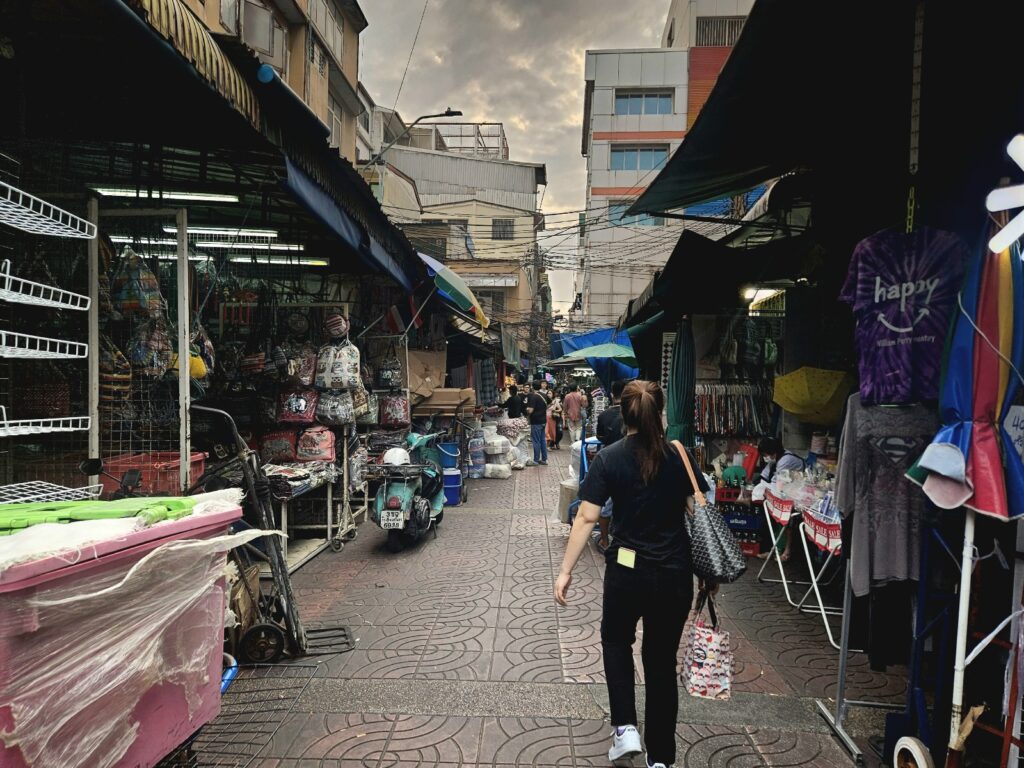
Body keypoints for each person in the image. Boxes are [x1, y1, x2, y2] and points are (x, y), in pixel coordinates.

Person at [555, 380, 709, 768]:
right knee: (660, 662)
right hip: (674, 575)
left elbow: (587, 516)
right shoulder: (680, 455)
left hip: (626, 572)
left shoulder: (610, 457)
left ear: (623, 415)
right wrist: (710, 572)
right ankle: (662, 759)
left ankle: (625, 729)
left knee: (616, 642)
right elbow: (699, 512)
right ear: (660, 414)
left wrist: (565, 571)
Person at [756, 436, 805, 561]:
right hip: (785, 493)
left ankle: (786, 551)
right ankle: (774, 549)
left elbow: (778, 483)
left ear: (772, 452)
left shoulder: (785, 460)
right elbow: (764, 477)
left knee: (787, 521)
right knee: (773, 518)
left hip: (796, 495)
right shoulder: (776, 459)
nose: (764, 457)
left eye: (765, 454)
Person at [595, 379, 627, 550]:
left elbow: (587, 514)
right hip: (653, 554)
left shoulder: (605, 415)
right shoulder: (671, 455)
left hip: (612, 467)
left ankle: (605, 541)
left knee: (607, 505)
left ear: (612, 395)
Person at [526, 380, 549, 466]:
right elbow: (550, 403)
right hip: (543, 420)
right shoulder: (544, 395)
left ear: (532, 387)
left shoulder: (534, 397)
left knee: (536, 441)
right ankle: (544, 459)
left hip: (536, 421)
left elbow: (531, 410)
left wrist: (527, 410)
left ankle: (535, 460)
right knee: (542, 440)